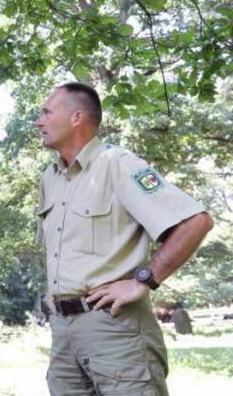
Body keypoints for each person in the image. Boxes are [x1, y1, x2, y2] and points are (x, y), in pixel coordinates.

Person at [34, 82, 213, 395]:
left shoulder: (116, 164)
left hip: (116, 330)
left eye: (47, 112)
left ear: (77, 117)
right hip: (63, 334)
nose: (39, 121)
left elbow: (195, 222)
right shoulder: (50, 178)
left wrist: (142, 280)